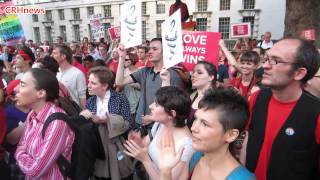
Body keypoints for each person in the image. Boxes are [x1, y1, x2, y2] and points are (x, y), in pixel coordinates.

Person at [242, 38, 320, 180]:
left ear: (299, 73)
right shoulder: (257, 98)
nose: (265, 65)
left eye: (275, 61)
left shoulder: (315, 113)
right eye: (266, 59)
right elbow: (249, 139)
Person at [158, 88, 255, 180]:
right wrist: (165, 172)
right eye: (196, 119)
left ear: (231, 135)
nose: (193, 128)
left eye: (205, 124)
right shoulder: (195, 157)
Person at [124, 86, 195, 180]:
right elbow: (146, 143)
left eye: (156, 104)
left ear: (172, 114)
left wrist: (146, 160)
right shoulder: (160, 124)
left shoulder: (186, 146)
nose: (150, 106)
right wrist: (139, 141)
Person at [14, 68, 74, 179]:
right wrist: (22, 152)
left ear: (41, 93)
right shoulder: (32, 115)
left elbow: (35, 171)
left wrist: (19, 154)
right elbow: (21, 146)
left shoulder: (56, 123)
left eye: (22, 85)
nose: (16, 89)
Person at [79, 66, 132, 180]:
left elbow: (128, 122)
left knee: (121, 174)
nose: (88, 85)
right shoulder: (90, 101)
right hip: (97, 145)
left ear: (104, 85)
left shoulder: (119, 98)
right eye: (89, 82)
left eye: (93, 83)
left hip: (116, 143)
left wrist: (107, 120)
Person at [115, 38, 183, 126]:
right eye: (149, 49)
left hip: (159, 126)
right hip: (139, 122)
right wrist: (122, 57)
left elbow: (174, 106)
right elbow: (119, 82)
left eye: (155, 49)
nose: (150, 52)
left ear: (165, 52)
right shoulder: (144, 72)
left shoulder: (173, 75)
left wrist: (152, 118)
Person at [52, 45, 87, 109]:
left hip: (73, 112)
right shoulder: (55, 73)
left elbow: (82, 96)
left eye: (55, 53)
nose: (52, 56)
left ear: (63, 56)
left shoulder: (78, 74)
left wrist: (83, 116)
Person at [188, 61, 217, 128]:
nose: (193, 75)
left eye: (199, 72)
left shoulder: (216, 100)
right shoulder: (192, 96)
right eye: (193, 72)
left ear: (211, 77)